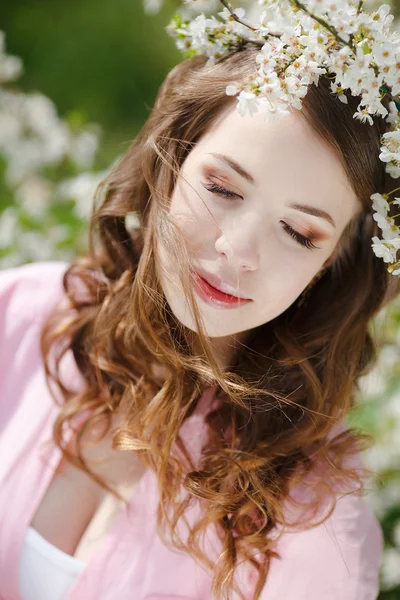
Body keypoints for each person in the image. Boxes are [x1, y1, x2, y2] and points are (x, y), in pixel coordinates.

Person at [0, 6, 399, 598]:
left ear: (330, 265)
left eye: (298, 233)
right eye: (222, 188)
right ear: (172, 162)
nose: (236, 251)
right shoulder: (22, 315)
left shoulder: (312, 521)